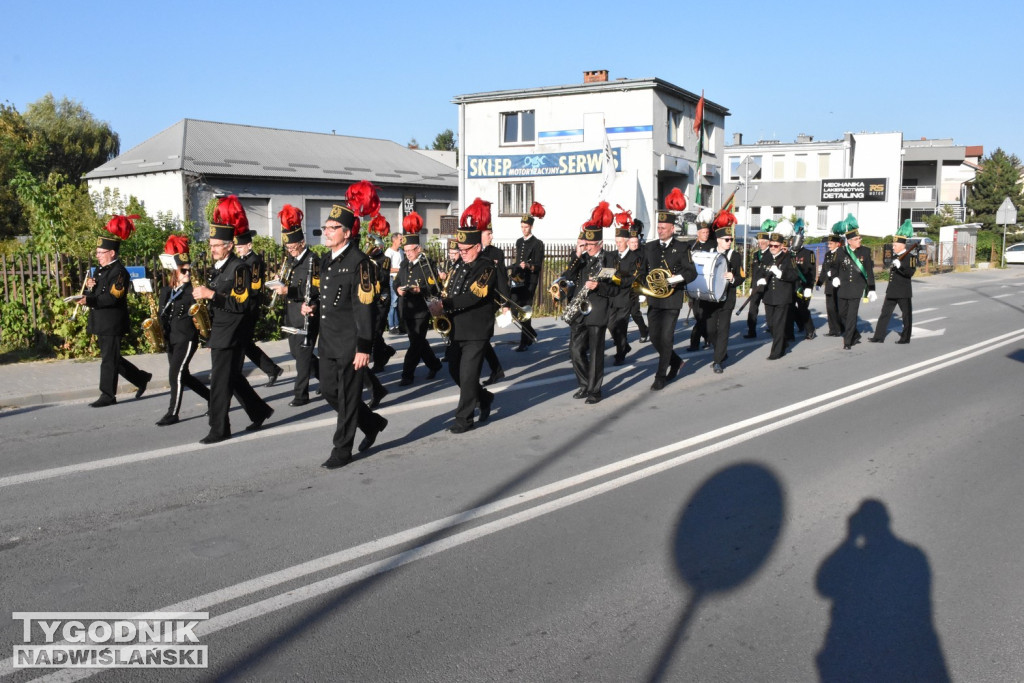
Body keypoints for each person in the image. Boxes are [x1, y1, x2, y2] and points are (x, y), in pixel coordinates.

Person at [191, 196, 274, 444]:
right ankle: (259, 411)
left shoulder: (239, 269)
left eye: (216, 245)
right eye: (211, 244)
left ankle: (219, 429)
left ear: (229, 246)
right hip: (220, 331)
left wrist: (211, 294)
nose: (212, 248)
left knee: (219, 382)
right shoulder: (220, 268)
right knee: (232, 378)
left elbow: (243, 303)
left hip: (231, 334)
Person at [311, 202, 388, 468]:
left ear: (346, 233)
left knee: (347, 398)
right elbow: (325, 296)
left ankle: (341, 450)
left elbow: (364, 307)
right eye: (326, 227)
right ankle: (372, 422)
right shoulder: (326, 260)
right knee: (329, 390)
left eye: (333, 228)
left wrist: (364, 347)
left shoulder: (360, 263)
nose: (327, 232)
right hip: (329, 340)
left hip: (350, 342)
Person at [428, 198, 498, 433]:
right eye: (460, 249)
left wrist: (445, 303)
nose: (462, 253)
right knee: (455, 371)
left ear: (477, 247)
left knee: (468, 376)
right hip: (458, 328)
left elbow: (473, 296)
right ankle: (484, 397)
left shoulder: (487, 267)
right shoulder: (459, 265)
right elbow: (451, 289)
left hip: (477, 330)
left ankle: (464, 419)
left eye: (466, 250)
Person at [74, 214, 152, 407]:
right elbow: (100, 292)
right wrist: (91, 287)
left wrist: (88, 300)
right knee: (112, 358)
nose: (98, 255)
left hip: (112, 322)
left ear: (112, 253)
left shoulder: (119, 273)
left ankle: (107, 395)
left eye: (101, 252)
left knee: (109, 360)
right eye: (98, 252)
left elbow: (112, 297)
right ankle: (141, 378)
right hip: (101, 320)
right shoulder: (101, 271)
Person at [561, 203, 621, 403]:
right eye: (584, 244)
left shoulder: (610, 260)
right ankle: (585, 383)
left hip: (597, 312)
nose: (586, 247)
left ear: (600, 243)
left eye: (589, 245)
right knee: (575, 351)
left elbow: (614, 289)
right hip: (579, 310)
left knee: (595, 354)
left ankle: (594, 390)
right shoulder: (581, 259)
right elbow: (567, 277)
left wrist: (598, 287)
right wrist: (577, 254)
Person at [269, 205, 320, 407]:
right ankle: (328, 381)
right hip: (291, 314)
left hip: (307, 314)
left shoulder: (312, 260)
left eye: (292, 247)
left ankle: (301, 395)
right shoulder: (290, 261)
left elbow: (315, 291)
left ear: (302, 242)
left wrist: (287, 291)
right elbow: (288, 282)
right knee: (297, 353)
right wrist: (278, 282)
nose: (289, 250)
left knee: (302, 357)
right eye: (287, 247)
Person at [155, 235, 209, 425]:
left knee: (175, 375)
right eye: (182, 270)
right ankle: (212, 398)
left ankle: (173, 413)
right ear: (175, 272)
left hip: (187, 338)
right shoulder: (165, 292)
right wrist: (160, 336)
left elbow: (200, 313)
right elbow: (161, 316)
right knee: (182, 375)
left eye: (188, 270)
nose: (186, 273)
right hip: (171, 338)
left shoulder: (191, 291)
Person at [642, 211, 698, 390]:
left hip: (672, 299)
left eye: (663, 228)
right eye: (658, 227)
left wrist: (674, 279)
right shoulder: (649, 247)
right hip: (654, 299)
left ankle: (660, 375)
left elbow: (691, 272)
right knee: (654, 336)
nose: (660, 231)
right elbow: (643, 272)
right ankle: (675, 361)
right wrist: (645, 287)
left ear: (672, 229)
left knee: (666, 338)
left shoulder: (682, 248)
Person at [394, 211, 443, 386]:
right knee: (418, 342)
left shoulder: (426, 264)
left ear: (418, 249)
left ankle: (407, 375)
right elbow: (397, 282)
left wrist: (419, 289)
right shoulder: (404, 264)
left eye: (410, 250)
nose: (407, 253)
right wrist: (398, 289)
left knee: (415, 345)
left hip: (421, 310)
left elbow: (433, 286)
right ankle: (434, 364)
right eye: (405, 250)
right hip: (407, 308)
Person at [233, 225, 284, 387]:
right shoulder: (241, 261)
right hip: (242, 307)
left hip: (250, 308)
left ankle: (238, 376)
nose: (238, 250)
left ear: (249, 245)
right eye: (237, 247)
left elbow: (254, 288)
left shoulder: (254, 261)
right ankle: (272, 369)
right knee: (246, 344)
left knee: (243, 344)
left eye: (240, 247)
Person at [704, 211, 746, 373]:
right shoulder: (709, 252)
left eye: (731, 240)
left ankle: (718, 361)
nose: (729, 242)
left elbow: (742, 277)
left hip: (727, 299)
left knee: (723, 330)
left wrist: (733, 277)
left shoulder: (734, 256)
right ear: (718, 240)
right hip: (710, 299)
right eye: (726, 240)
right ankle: (721, 352)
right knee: (710, 330)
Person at [833, 215, 876, 350]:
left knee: (851, 316)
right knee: (842, 315)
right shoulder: (841, 251)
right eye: (856, 239)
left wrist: (872, 289)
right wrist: (834, 276)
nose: (859, 240)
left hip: (857, 289)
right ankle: (855, 335)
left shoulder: (865, 251)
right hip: (843, 288)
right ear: (849, 241)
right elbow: (835, 267)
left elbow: (869, 271)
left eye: (859, 238)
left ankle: (848, 341)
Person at [870, 220, 916, 344]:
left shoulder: (910, 257)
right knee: (884, 313)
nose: (893, 247)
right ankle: (878, 337)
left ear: (902, 245)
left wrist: (900, 266)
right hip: (892, 291)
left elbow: (910, 273)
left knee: (906, 316)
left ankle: (905, 338)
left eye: (895, 245)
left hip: (903, 292)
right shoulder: (896, 257)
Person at [757, 228, 799, 360]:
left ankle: (776, 352)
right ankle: (783, 342)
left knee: (779, 324)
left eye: (776, 246)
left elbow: (794, 276)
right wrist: (761, 279)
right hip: (769, 295)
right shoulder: (766, 257)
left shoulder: (788, 258)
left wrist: (780, 273)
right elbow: (762, 271)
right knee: (771, 324)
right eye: (771, 245)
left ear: (781, 246)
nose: (773, 248)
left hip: (782, 296)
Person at [510, 203, 545, 351]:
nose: (524, 229)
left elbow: (538, 265)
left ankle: (524, 342)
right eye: (522, 227)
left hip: (530, 281)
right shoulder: (519, 241)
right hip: (518, 279)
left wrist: (529, 266)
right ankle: (531, 333)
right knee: (514, 306)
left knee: (525, 309)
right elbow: (517, 260)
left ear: (531, 227)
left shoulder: (537, 243)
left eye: (526, 227)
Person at [364, 215, 396, 376]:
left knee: (376, 332)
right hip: (370, 299)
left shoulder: (384, 260)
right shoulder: (366, 259)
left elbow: (382, 278)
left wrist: (372, 266)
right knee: (372, 331)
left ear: (378, 247)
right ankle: (387, 350)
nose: (368, 246)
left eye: (371, 244)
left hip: (382, 299)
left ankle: (379, 362)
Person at [608, 208, 641, 365]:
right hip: (612, 297)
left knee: (621, 327)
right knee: (610, 325)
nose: (618, 244)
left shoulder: (634, 257)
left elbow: (635, 278)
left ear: (627, 241)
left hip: (626, 297)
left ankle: (620, 354)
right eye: (616, 242)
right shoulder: (612, 256)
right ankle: (625, 346)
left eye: (620, 242)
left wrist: (618, 279)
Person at [479, 223, 508, 386]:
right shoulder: (474, 250)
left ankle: (495, 370)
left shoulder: (496, 253)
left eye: (491, 233)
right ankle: (496, 369)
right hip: (476, 299)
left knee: (483, 337)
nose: (491, 237)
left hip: (491, 301)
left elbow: (502, 278)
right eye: (488, 233)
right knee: (481, 339)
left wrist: (505, 302)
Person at [686, 216, 716, 352]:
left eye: (707, 232)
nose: (706, 234)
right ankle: (707, 337)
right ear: (698, 233)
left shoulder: (713, 245)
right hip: (693, 284)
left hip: (707, 285)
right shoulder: (692, 245)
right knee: (698, 315)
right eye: (703, 232)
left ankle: (694, 343)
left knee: (702, 316)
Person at [743, 222, 774, 338]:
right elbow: (754, 272)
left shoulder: (771, 255)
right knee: (752, 309)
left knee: (769, 310)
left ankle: (773, 329)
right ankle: (751, 331)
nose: (760, 244)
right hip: (756, 286)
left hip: (767, 286)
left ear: (768, 243)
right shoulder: (756, 255)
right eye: (759, 242)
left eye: (763, 242)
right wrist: (751, 286)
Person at [789, 219, 817, 340]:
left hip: (803, 286)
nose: (791, 241)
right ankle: (800, 325)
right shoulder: (788, 253)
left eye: (793, 239)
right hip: (791, 286)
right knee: (790, 308)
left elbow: (812, 272)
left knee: (803, 309)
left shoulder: (808, 253)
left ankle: (810, 330)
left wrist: (809, 287)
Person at [815, 224, 846, 337]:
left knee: (838, 309)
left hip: (838, 285)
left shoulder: (842, 253)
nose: (828, 245)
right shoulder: (828, 255)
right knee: (830, 309)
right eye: (828, 243)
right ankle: (832, 329)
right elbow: (824, 270)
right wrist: (819, 282)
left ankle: (840, 328)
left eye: (831, 243)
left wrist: (833, 273)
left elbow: (843, 269)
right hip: (829, 285)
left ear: (838, 244)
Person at [626, 226, 649, 342]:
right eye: (632, 242)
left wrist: (643, 290)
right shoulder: (624, 254)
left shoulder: (643, 254)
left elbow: (645, 272)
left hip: (637, 287)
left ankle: (644, 331)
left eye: (636, 242)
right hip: (624, 287)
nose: (635, 244)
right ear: (628, 243)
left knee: (634, 312)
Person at [384, 232, 405, 334]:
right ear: (394, 240)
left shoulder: (400, 251)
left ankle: (397, 325)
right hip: (392, 278)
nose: (402, 241)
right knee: (393, 303)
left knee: (397, 304)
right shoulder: (389, 252)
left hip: (399, 279)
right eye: (400, 239)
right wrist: (400, 270)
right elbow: (387, 268)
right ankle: (392, 326)